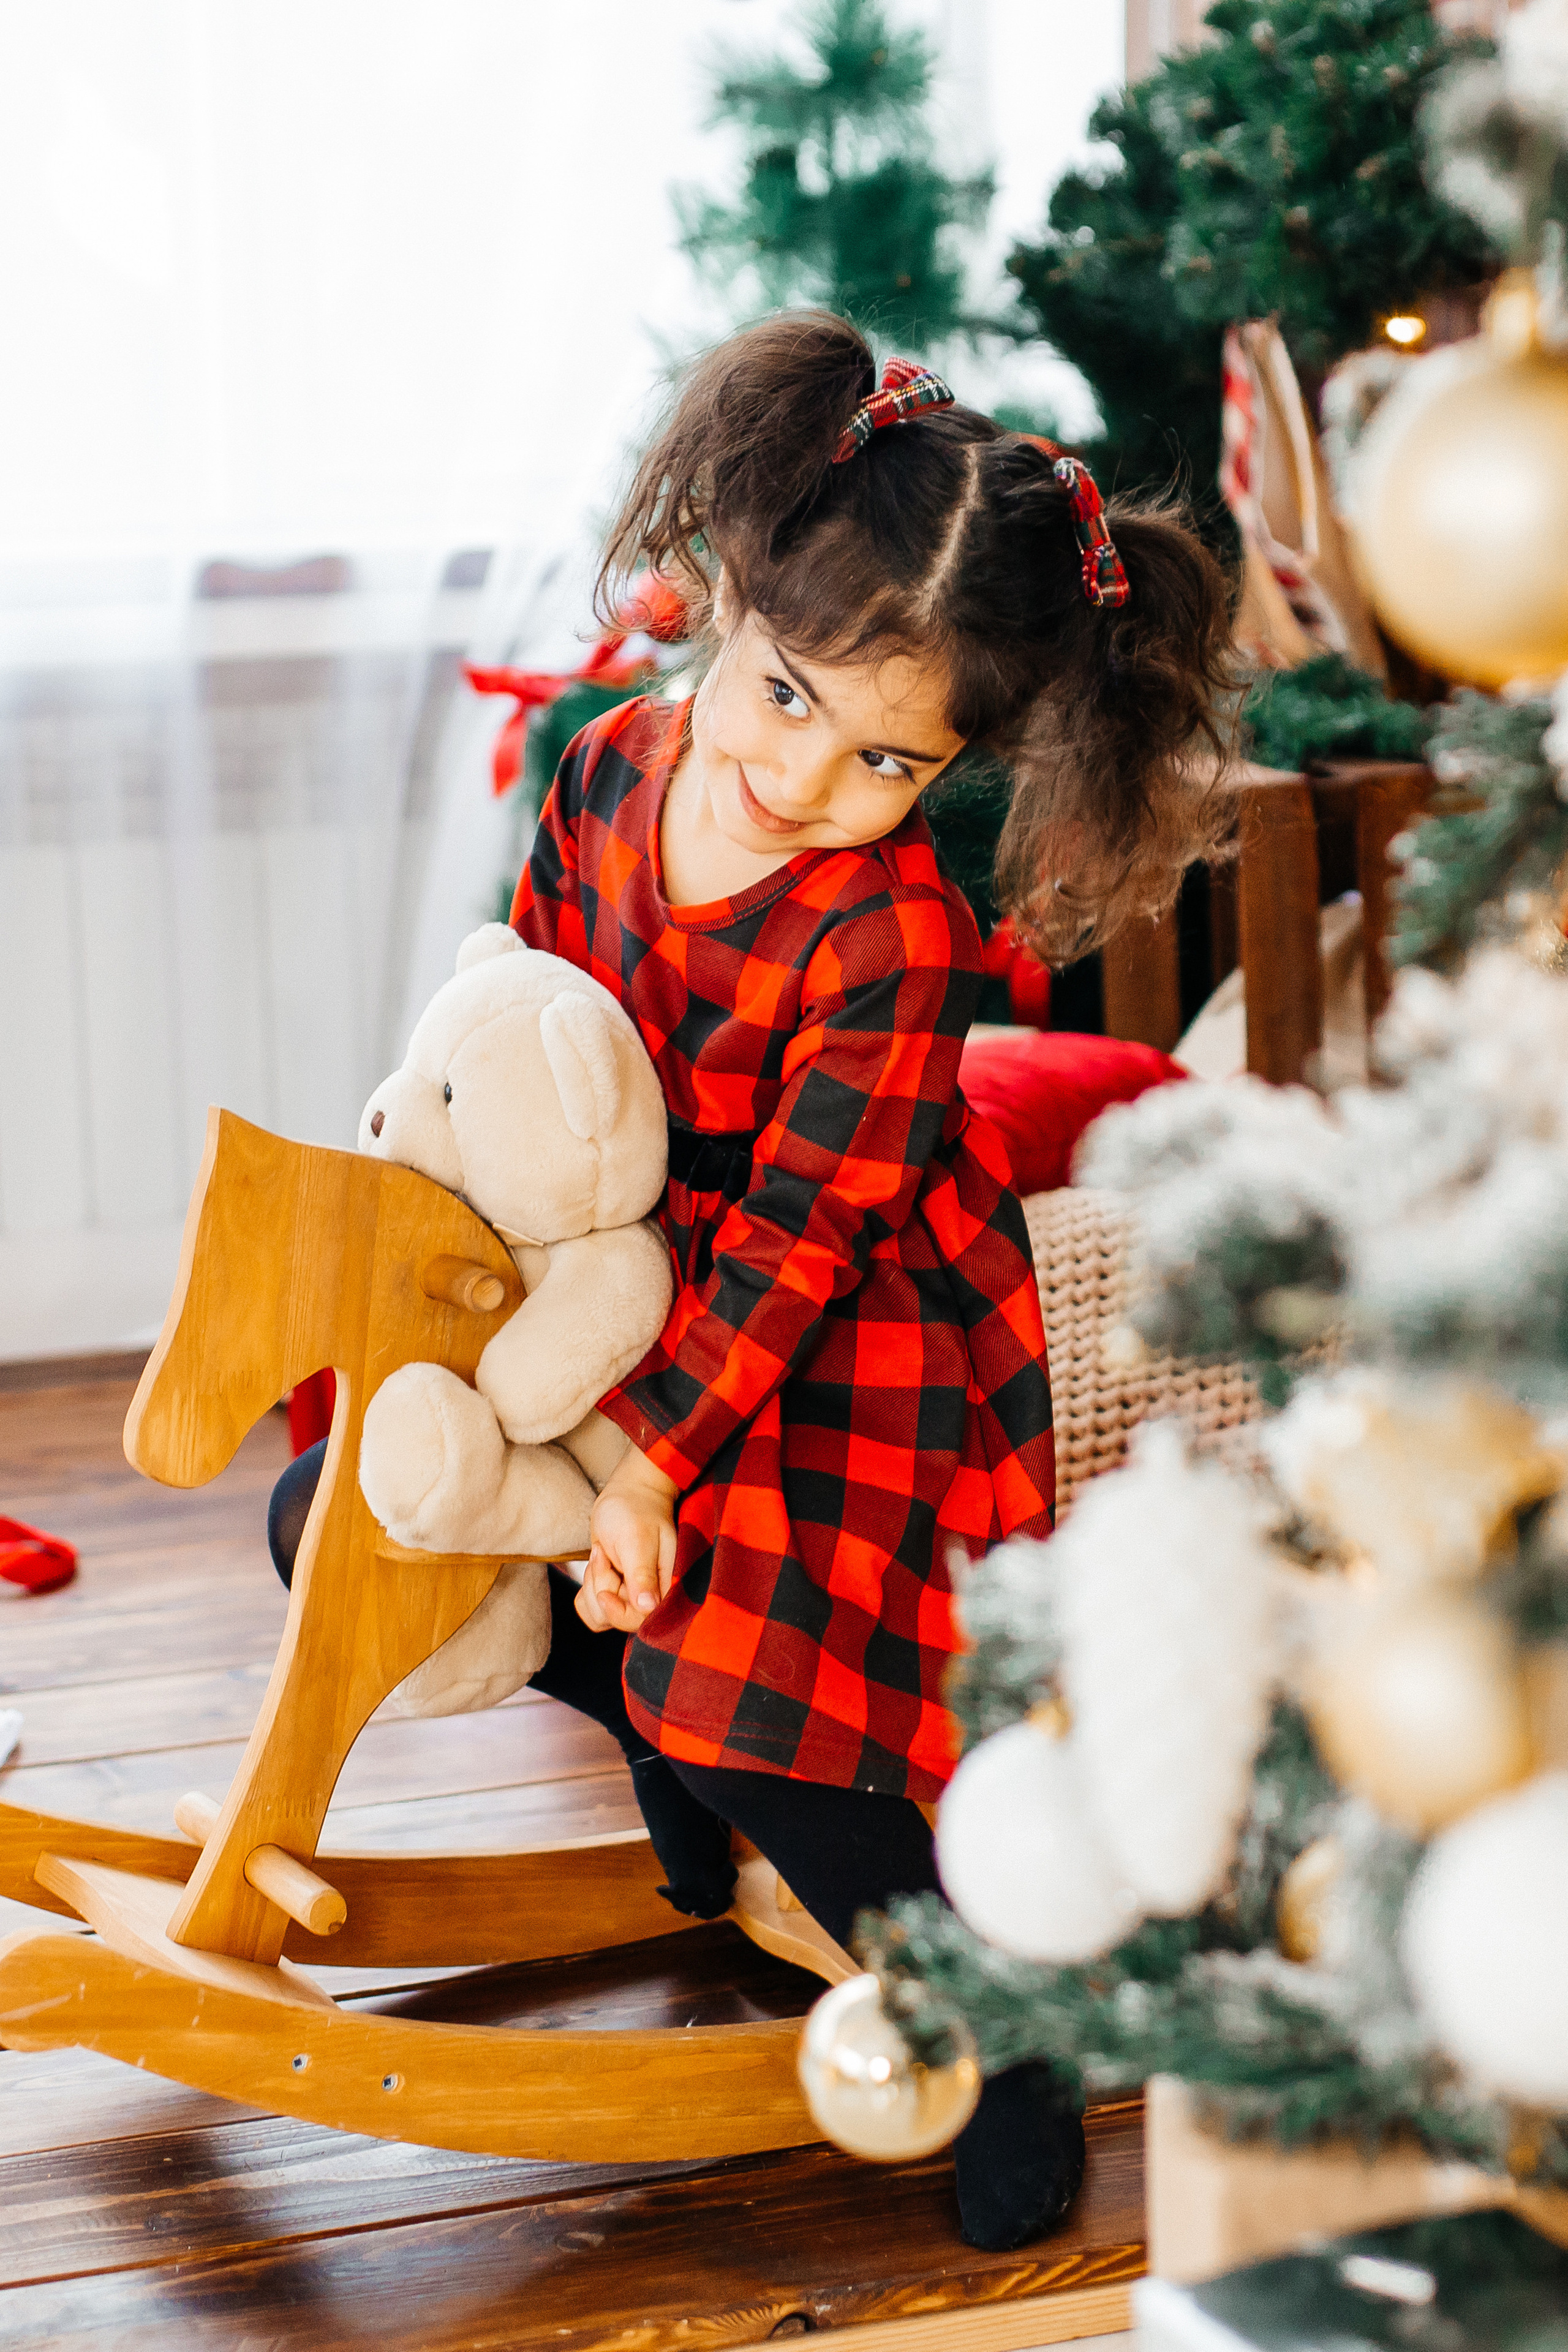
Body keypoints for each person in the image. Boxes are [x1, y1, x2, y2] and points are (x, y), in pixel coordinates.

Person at [268, 311, 1231, 2252]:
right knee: (345, 1514)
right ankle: (683, 1763)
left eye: (890, 758)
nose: (808, 776)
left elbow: (807, 1241)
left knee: (733, 1677)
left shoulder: (891, 936)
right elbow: (521, 1042)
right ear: (719, 600)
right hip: (624, 1289)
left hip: (841, 1335)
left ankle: (998, 2004)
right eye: (786, 696)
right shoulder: (610, 770)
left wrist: (639, 1468)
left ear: (954, 764)